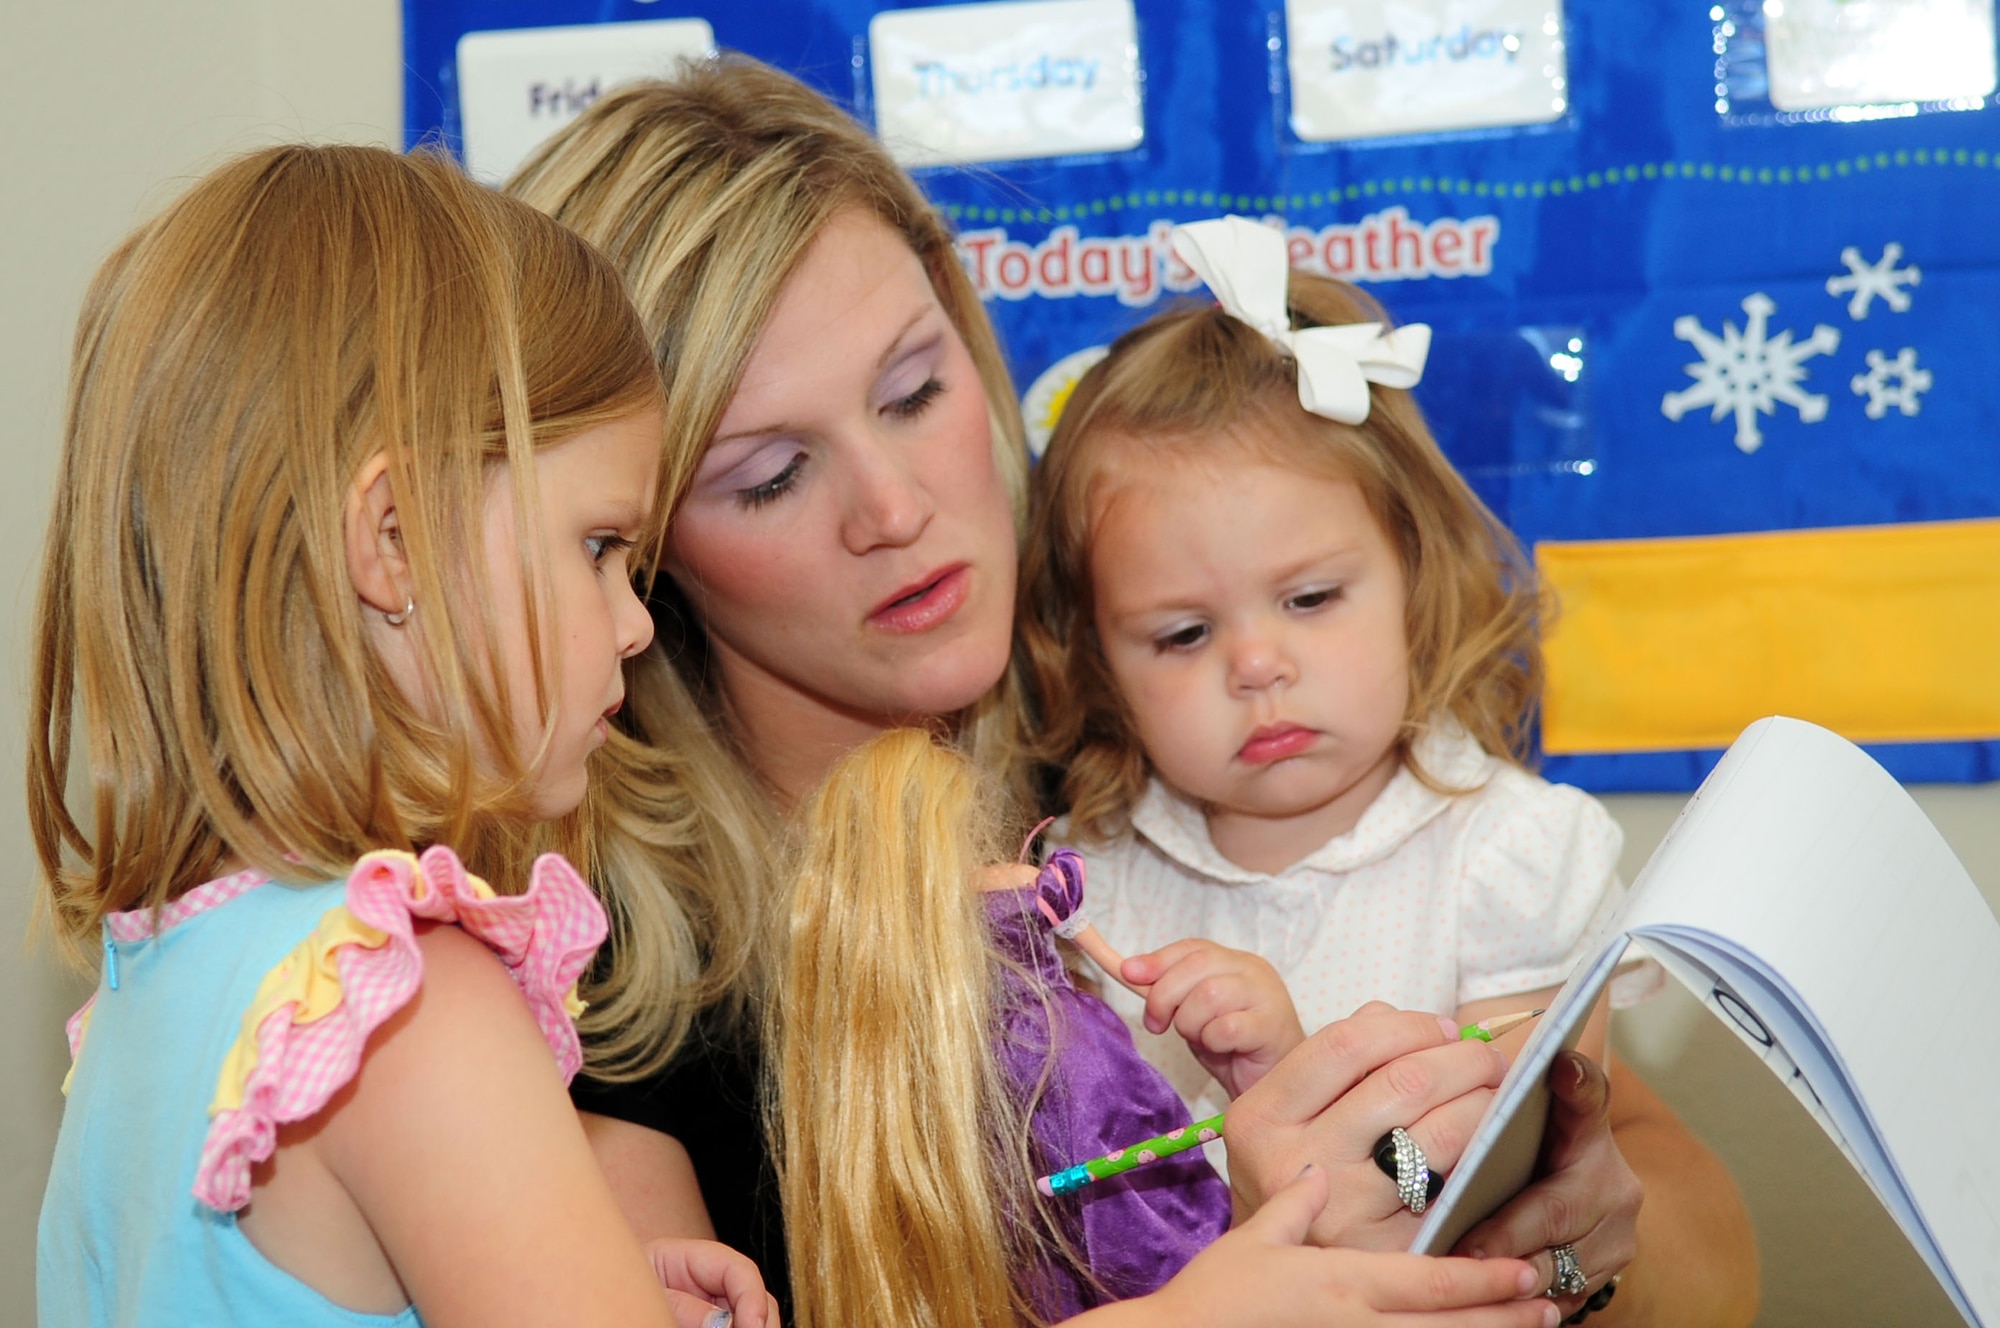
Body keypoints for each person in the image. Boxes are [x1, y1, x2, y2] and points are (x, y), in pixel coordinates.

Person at [509, 56, 1755, 1326]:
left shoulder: (1175, 733)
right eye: (770, 475)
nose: (895, 510)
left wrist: (1536, 1238)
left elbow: (1692, 1256)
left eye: (913, 391)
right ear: (634, 539)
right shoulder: (606, 972)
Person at [30, 144, 774, 1328]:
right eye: (598, 545)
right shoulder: (407, 1003)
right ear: (391, 541)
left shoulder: (151, 1000)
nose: (637, 622)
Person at [1020, 216, 1757, 1321]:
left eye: (1309, 597)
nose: (1257, 664)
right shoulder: (1083, 890)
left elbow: (1492, 1203)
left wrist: (1285, 1075)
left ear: (1412, 571)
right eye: (1180, 634)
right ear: (1096, 662)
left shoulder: (1506, 855)